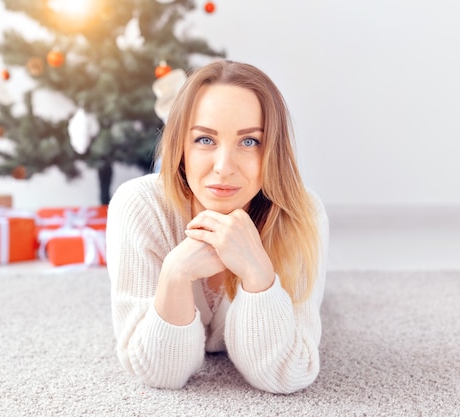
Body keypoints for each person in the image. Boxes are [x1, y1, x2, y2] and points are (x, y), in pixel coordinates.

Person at [106, 60, 329, 394]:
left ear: (273, 151)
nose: (224, 168)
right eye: (205, 140)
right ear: (180, 146)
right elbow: (158, 372)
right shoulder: (139, 205)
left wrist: (258, 277)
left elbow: (288, 374)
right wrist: (175, 274)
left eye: (249, 142)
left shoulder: (301, 214)